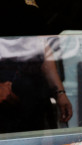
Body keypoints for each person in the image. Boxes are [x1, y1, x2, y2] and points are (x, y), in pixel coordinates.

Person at [0, 0, 73, 133]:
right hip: (3, 106)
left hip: (32, 103)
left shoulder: (31, 9)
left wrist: (60, 93)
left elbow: (44, 51)